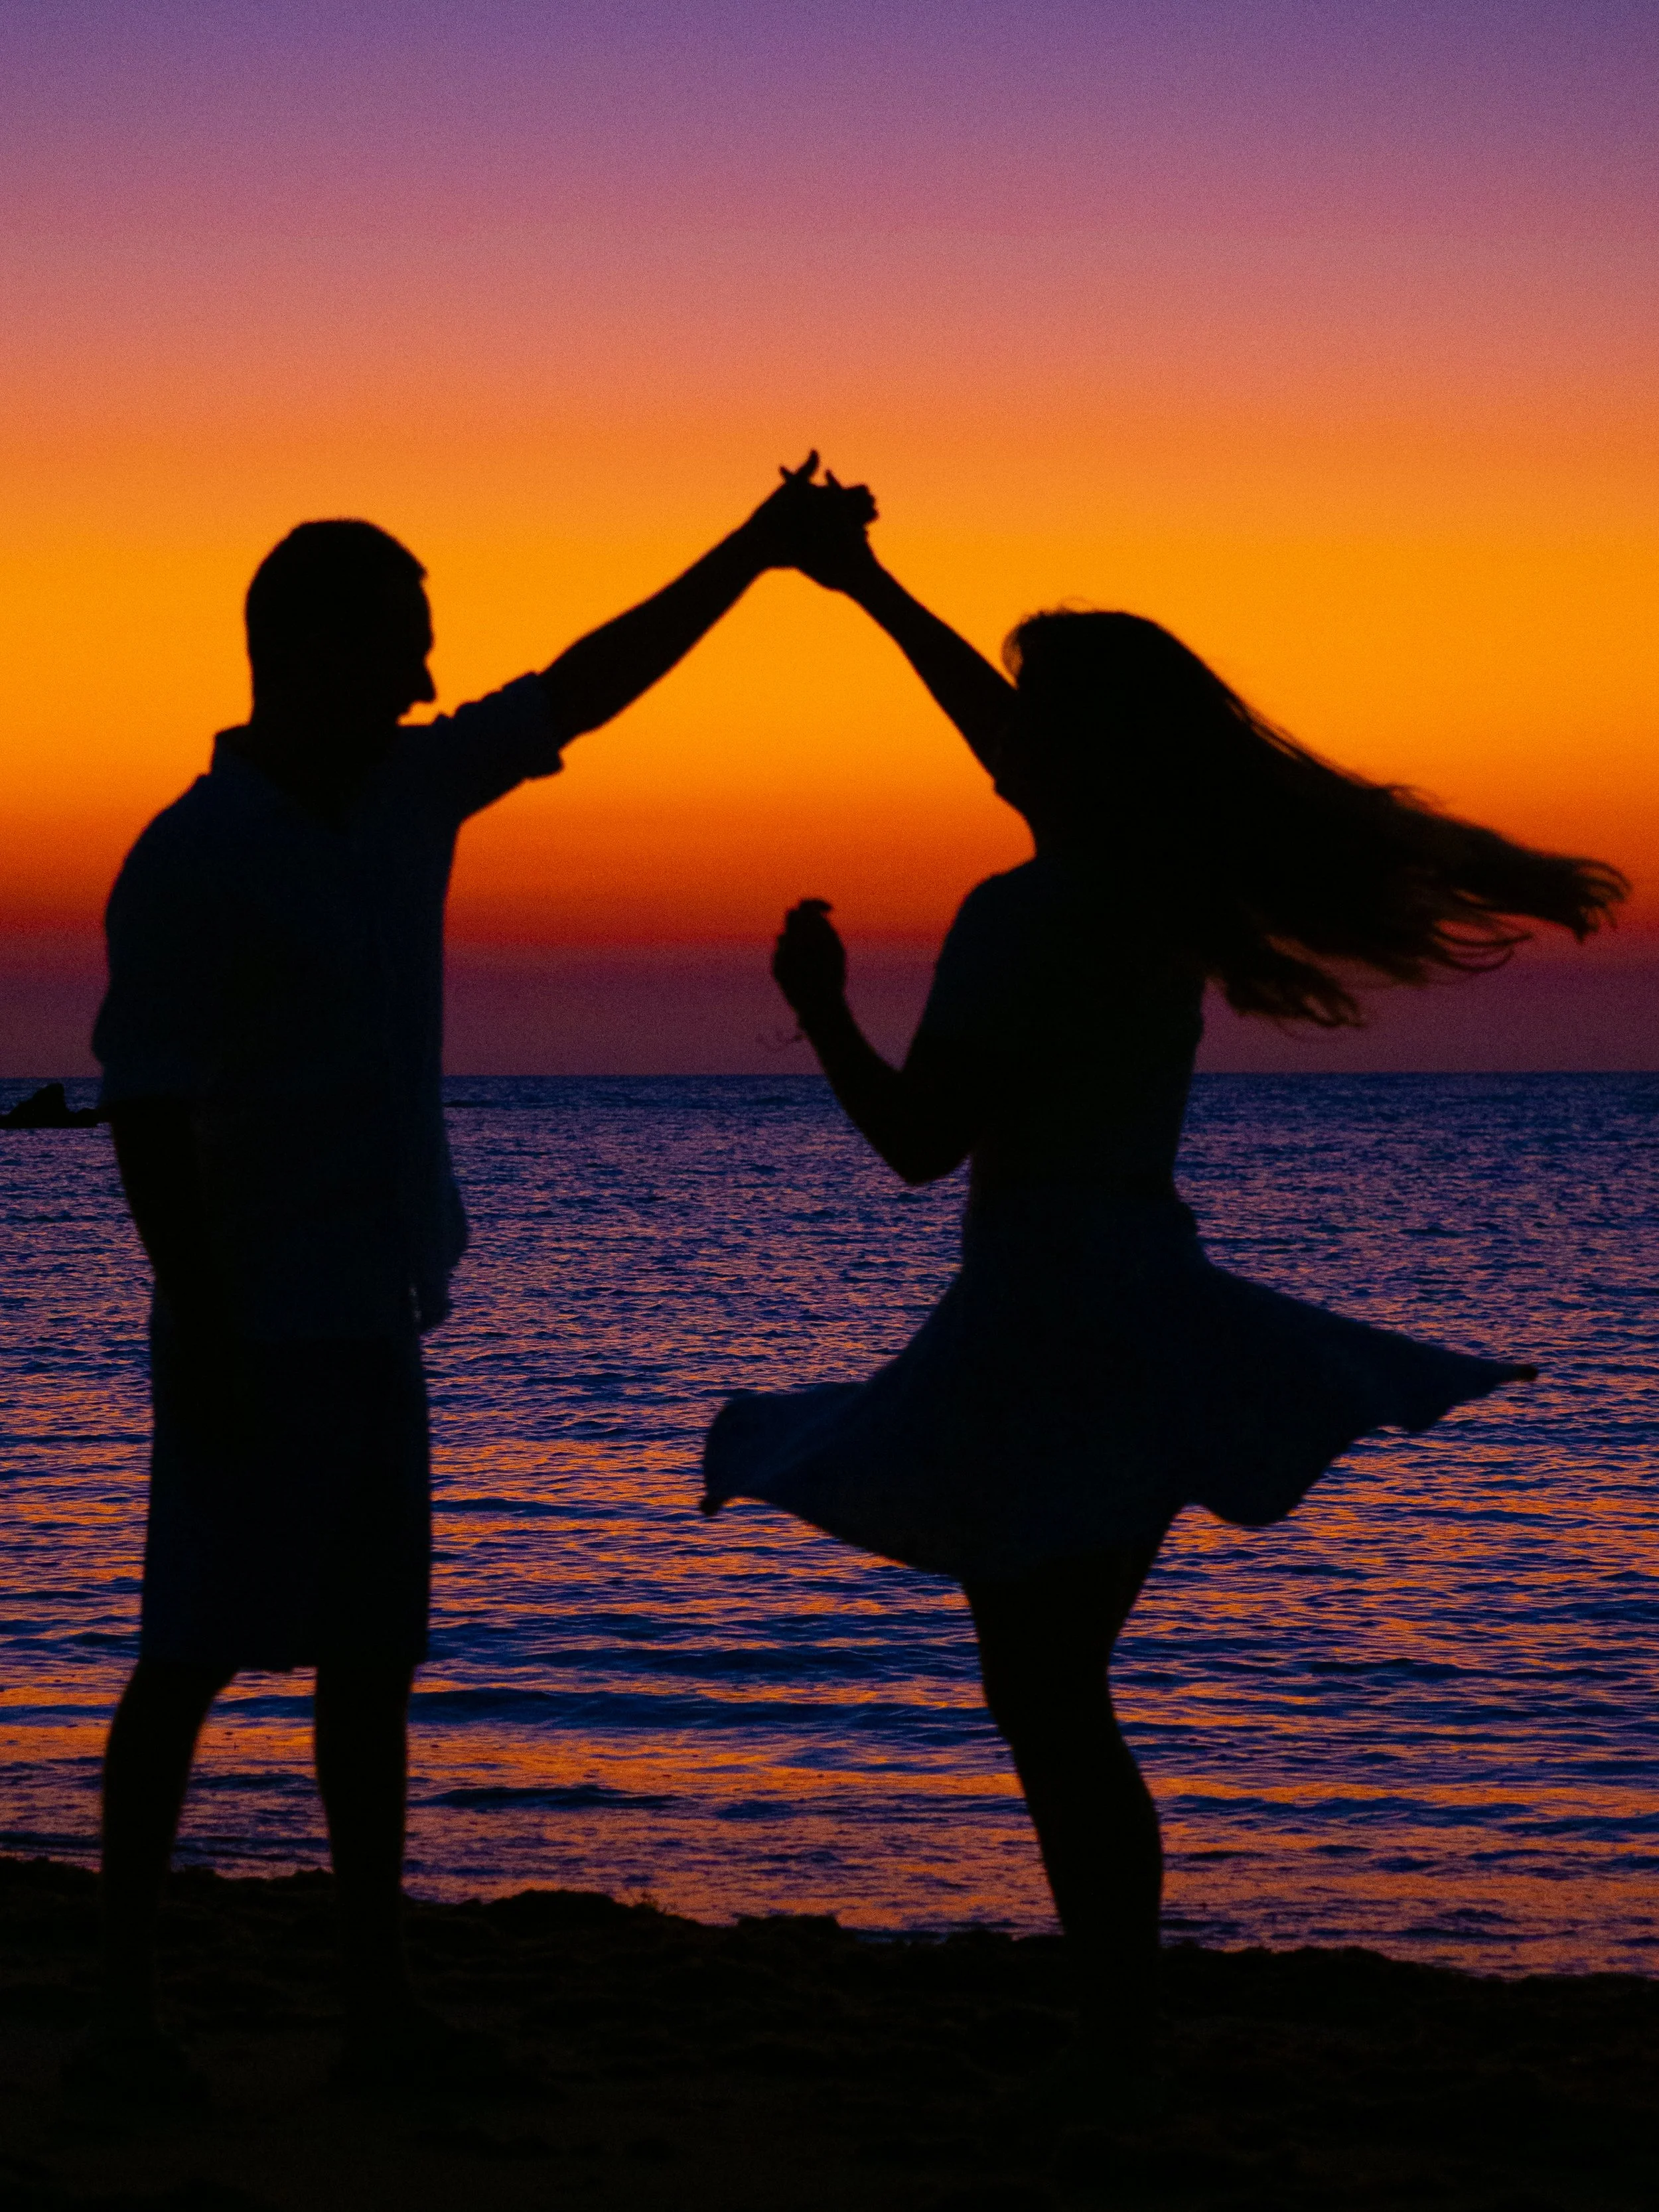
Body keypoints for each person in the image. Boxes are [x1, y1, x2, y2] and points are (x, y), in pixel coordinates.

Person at [701, 502, 1626, 2073]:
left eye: (1030, 727)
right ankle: (1115, 2019)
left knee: (1047, 1699)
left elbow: (920, 1144)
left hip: (1044, 1312)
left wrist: (818, 1006)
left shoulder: (1035, 909)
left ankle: (1118, 2029)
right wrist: (865, 587)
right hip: (1135, 1279)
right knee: (1056, 1693)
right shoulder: (1141, 887)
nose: (998, 746)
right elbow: (998, 730)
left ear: (1069, 758)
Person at [82, 457, 867, 2098]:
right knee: (189, 1657)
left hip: (374, 1317)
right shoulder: (195, 853)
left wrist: (757, 548)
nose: (430, 678)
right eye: (402, 645)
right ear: (303, 652)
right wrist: (205, 1321)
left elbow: (587, 680)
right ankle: (120, 1999)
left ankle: (372, 2002)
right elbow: (146, 1101)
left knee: (371, 1671)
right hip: (248, 1326)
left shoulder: (409, 800)